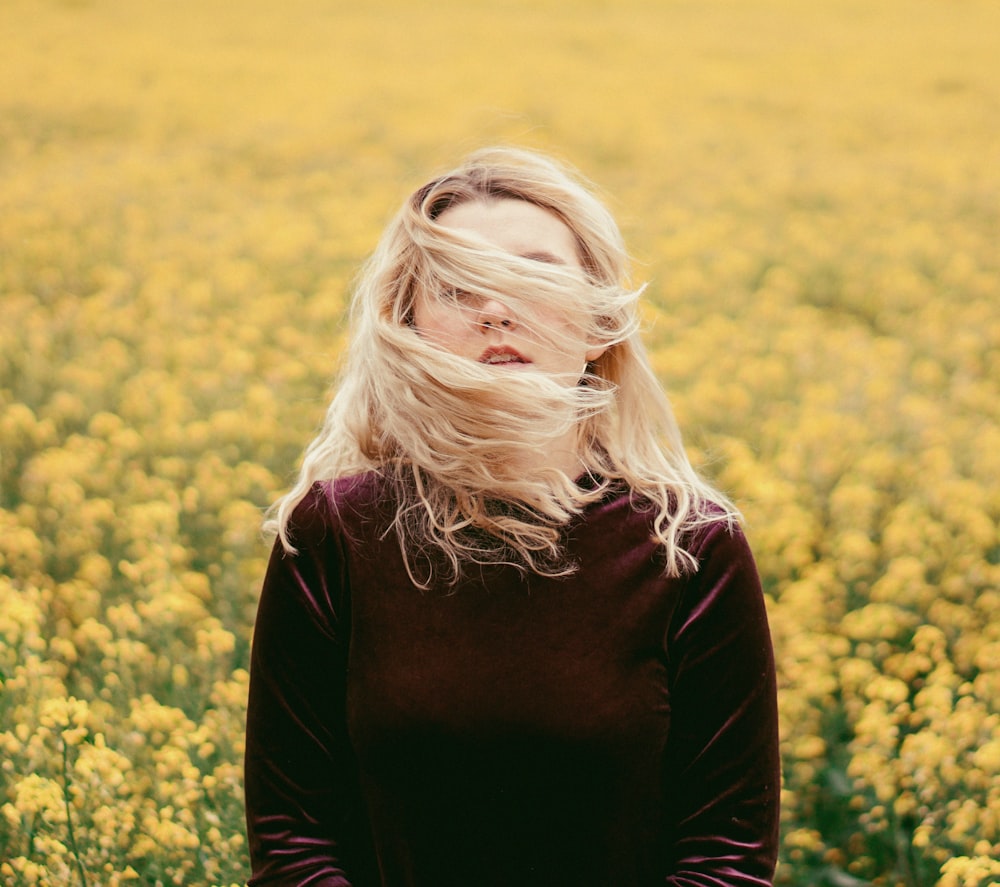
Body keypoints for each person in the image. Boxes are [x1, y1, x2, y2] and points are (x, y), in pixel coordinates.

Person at [244, 146, 780, 886]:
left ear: (600, 325)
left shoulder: (691, 547)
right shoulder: (335, 532)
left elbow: (726, 855)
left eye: (532, 276)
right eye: (459, 285)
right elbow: (293, 838)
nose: (496, 308)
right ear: (410, 329)